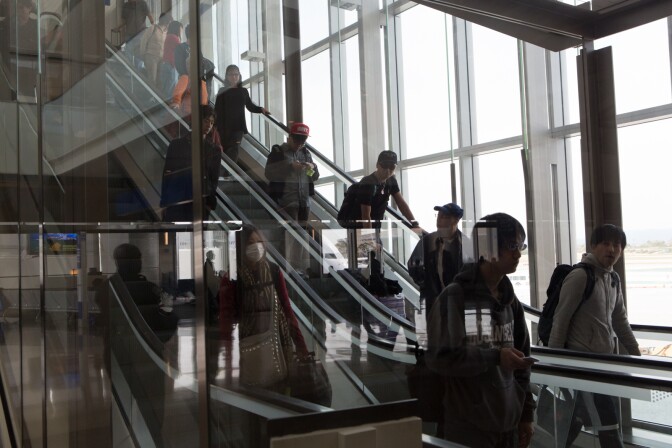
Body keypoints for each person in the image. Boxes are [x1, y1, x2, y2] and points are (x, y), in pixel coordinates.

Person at [427, 213, 536, 447]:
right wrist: (496, 357)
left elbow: (522, 362)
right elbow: (440, 359)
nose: (518, 254)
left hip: (508, 422)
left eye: (520, 246)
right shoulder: (455, 297)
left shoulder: (510, 300)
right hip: (467, 426)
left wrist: (526, 414)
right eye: (511, 246)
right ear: (487, 248)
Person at [548, 224, 640, 447]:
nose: (612, 249)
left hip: (603, 364)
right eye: (606, 243)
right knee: (608, 423)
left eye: (617, 245)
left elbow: (620, 322)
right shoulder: (580, 276)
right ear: (593, 246)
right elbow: (560, 321)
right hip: (582, 364)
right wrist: (553, 366)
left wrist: (638, 357)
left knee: (578, 418)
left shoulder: (612, 279)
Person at [218, 225, 309, 391]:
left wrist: (301, 346)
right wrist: (228, 361)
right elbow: (226, 320)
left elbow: (287, 309)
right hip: (247, 351)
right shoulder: (232, 277)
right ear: (242, 246)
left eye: (259, 241)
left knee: (280, 392)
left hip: (278, 347)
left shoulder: (273, 271)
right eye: (251, 242)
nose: (256, 246)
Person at [264, 122, 319, 276]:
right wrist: (289, 167)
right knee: (289, 234)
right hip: (286, 200)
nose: (299, 144)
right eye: (297, 141)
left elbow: (314, 177)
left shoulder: (306, 153)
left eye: (303, 141)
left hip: (304, 202)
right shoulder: (278, 151)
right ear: (290, 137)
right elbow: (269, 173)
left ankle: (297, 268)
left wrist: (311, 169)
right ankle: (285, 268)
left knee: (301, 234)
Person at [160, 105, 221, 221]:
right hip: (177, 200)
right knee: (176, 236)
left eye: (212, 122)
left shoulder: (214, 150)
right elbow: (167, 174)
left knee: (198, 237)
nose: (209, 125)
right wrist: (164, 202)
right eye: (206, 121)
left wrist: (208, 205)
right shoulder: (176, 145)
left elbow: (213, 180)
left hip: (201, 202)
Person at [337, 150, 420, 230]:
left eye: (392, 166)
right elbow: (365, 216)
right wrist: (369, 237)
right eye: (384, 165)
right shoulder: (368, 183)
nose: (388, 170)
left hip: (374, 227)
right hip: (358, 229)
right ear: (377, 165)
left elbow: (401, 203)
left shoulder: (391, 181)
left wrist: (415, 224)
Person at [408, 202, 465, 315]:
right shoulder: (428, 241)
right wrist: (426, 286)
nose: (439, 220)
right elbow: (413, 266)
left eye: (444, 217)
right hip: (432, 303)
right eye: (438, 216)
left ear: (455, 220)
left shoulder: (466, 245)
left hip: (458, 303)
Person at [214, 64, 269, 170]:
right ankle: (222, 172)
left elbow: (250, 106)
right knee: (223, 150)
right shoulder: (222, 91)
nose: (234, 77)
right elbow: (217, 110)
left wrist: (261, 109)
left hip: (238, 127)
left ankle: (230, 173)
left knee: (234, 150)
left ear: (239, 76)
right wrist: (215, 127)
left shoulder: (243, 91)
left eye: (236, 74)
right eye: (231, 75)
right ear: (227, 76)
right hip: (223, 127)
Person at [118, 0, 154, 67]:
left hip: (140, 35)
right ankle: (130, 72)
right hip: (129, 35)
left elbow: (150, 17)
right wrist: (118, 28)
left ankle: (138, 74)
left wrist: (154, 28)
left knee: (139, 57)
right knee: (128, 56)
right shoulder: (125, 6)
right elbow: (123, 21)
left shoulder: (143, 4)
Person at [139, 12, 171, 86]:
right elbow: (144, 41)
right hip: (151, 56)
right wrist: (143, 54)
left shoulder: (167, 32)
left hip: (161, 58)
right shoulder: (153, 28)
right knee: (152, 79)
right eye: (169, 21)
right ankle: (152, 96)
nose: (169, 23)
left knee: (159, 80)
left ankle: (158, 96)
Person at [158, 20, 182, 100]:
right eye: (180, 29)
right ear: (176, 28)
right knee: (170, 89)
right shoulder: (174, 38)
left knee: (166, 88)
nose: (181, 31)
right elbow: (181, 49)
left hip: (166, 64)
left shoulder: (169, 36)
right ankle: (166, 108)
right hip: (171, 65)